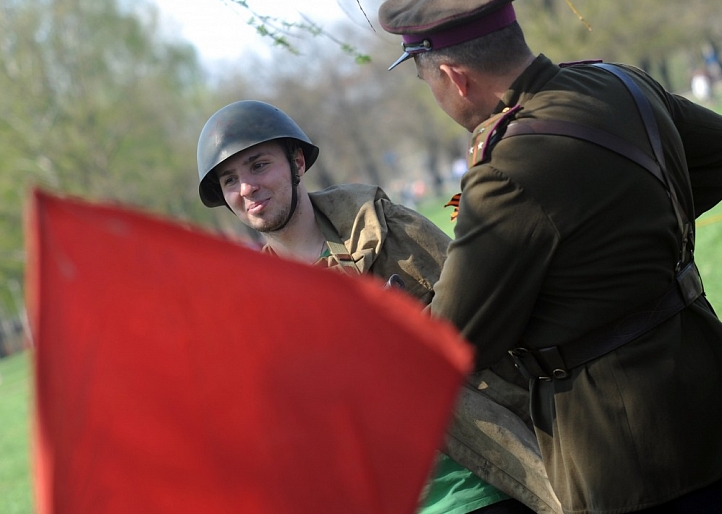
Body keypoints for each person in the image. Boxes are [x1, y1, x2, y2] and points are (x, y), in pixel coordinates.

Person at [379, 0, 722, 514]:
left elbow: (456, 344)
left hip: (629, 456)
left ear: (455, 78)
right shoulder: (622, 83)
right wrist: (626, 240)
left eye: (425, 80)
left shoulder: (505, 171)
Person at [196, 99, 540, 514]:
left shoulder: (387, 232)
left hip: (480, 486)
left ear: (297, 162)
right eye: (229, 180)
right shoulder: (251, 310)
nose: (246, 188)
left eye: (258, 165)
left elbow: (493, 317)